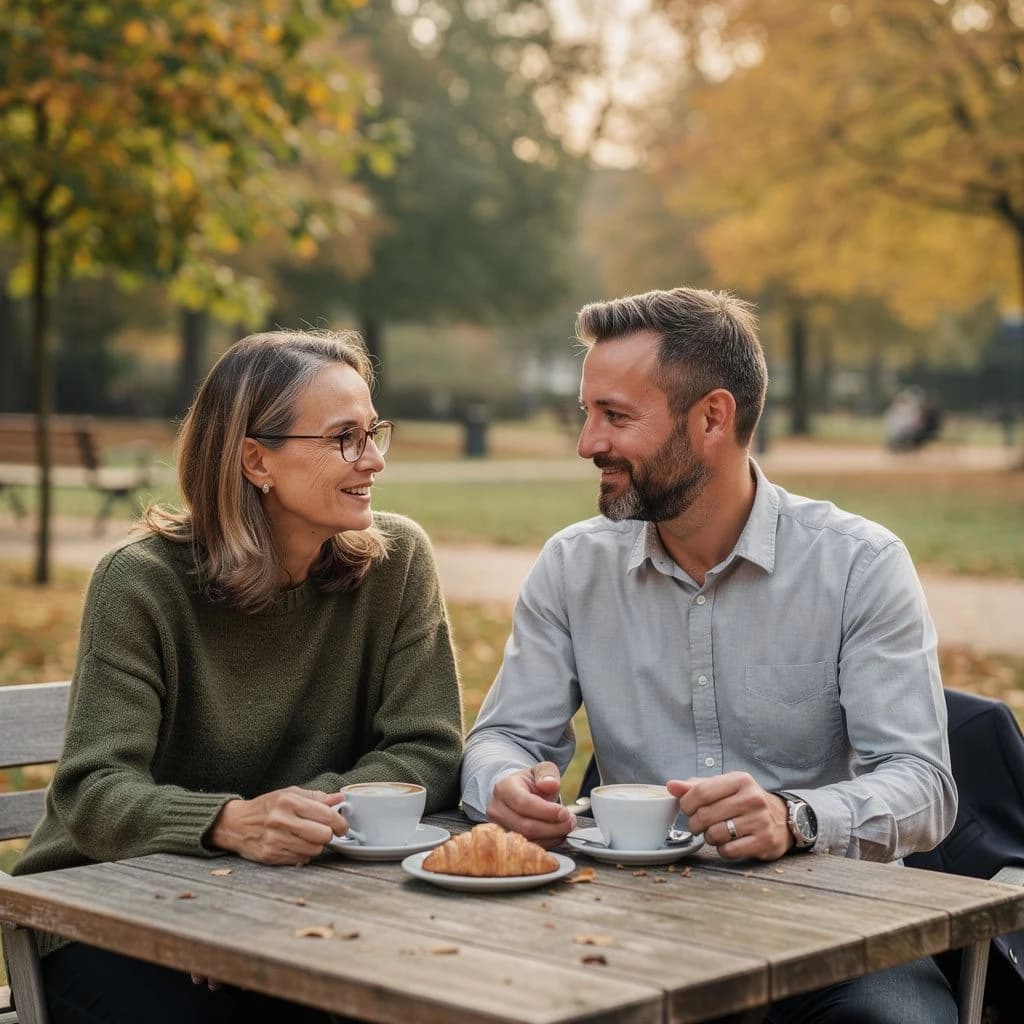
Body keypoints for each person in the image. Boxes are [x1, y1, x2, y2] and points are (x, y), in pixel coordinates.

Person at [461, 287, 957, 1023]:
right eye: (586, 413)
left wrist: (796, 818)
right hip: (628, 923)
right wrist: (503, 782)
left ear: (712, 419)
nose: (587, 443)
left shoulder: (858, 564)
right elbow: (501, 738)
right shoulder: (573, 567)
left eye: (616, 417)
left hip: (833, 928)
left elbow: (923, 783)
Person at [13, 330, 464, 1023]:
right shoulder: (141, 585)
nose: (373, 459)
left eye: (374, 432)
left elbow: (426, 749)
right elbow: (93, 792)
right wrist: (229, 825)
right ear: (256, 459)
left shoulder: (397, 562)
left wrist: (283, 829)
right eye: (345, 437)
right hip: (110, 904)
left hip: (297, 893)